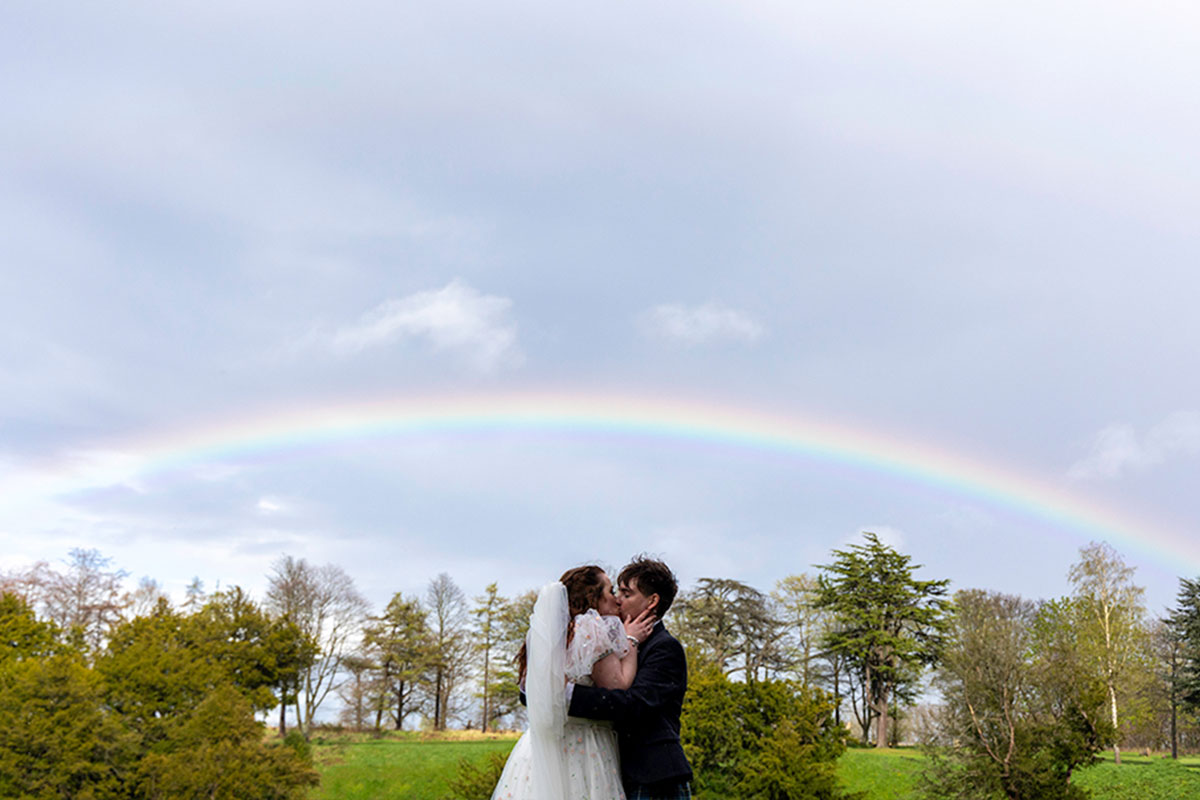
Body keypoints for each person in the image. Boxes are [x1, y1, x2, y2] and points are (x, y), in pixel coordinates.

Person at [492, 565, 655, 800]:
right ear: (593, 597)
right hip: (584, 745)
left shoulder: (551, 634)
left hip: (540, 747)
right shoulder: (593, 629)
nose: (617, 600)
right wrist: (630, 640)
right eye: (610, 592)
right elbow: (618, 686)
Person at [568, 556, 693, 800]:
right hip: (613, 771)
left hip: (654, 777)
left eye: (626, 594)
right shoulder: (612, 639)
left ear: (652, 601)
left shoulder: (665, 648)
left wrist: (566, 697)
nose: (617, 600)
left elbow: (635, 703)